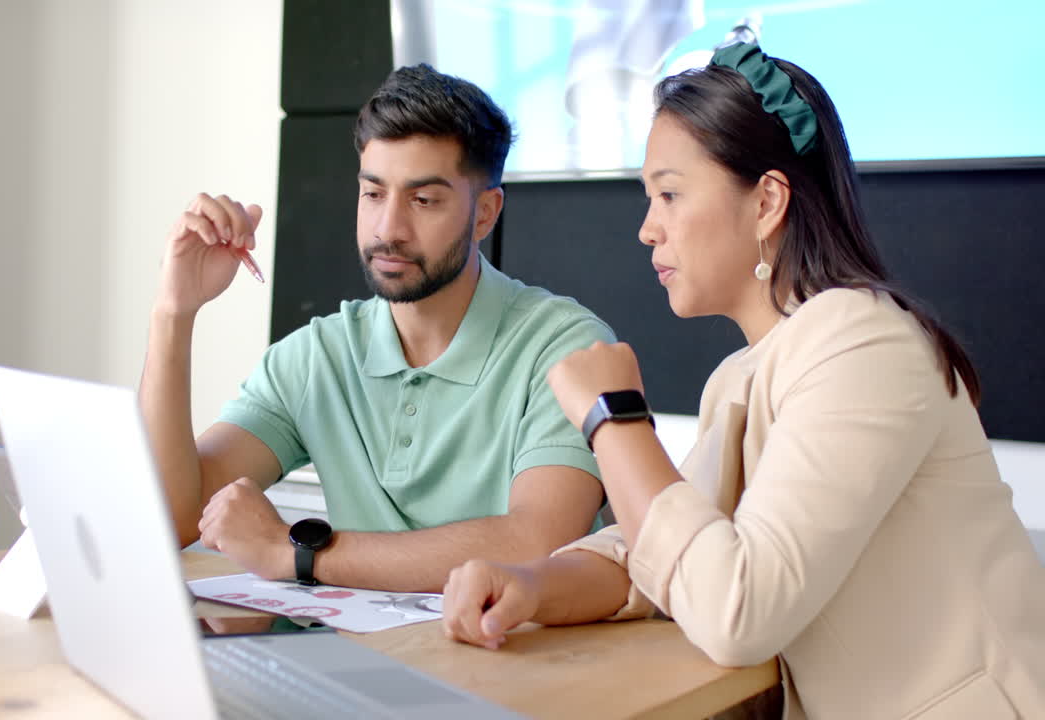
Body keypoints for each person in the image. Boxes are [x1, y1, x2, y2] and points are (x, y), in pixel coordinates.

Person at [441, 43, 1045, 718]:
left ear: (766, 203)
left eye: (669, 194)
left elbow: (738, 609)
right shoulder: (743, 376)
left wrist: (614, 416)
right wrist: (531, 584)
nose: (647, 229)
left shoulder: (863, 341)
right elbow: (655, 549)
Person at [140, 64, 615, 594]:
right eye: (373, 194)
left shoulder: (565, 347)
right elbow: (173, 517)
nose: (389, 229)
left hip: (518, 664)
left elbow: (535, 543)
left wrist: (297, 551)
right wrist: (173, 313)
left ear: (484, 214)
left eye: (423, 199)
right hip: (365, 659)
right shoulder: (316, 356)